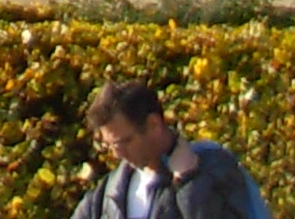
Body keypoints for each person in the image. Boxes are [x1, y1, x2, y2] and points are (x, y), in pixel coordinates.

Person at [71, 81, 271, 219]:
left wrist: (190, 182)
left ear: (154, 124)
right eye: (111, 145)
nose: (117, 154)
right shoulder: (109, 193)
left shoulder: (215, 167)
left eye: (125, 141)